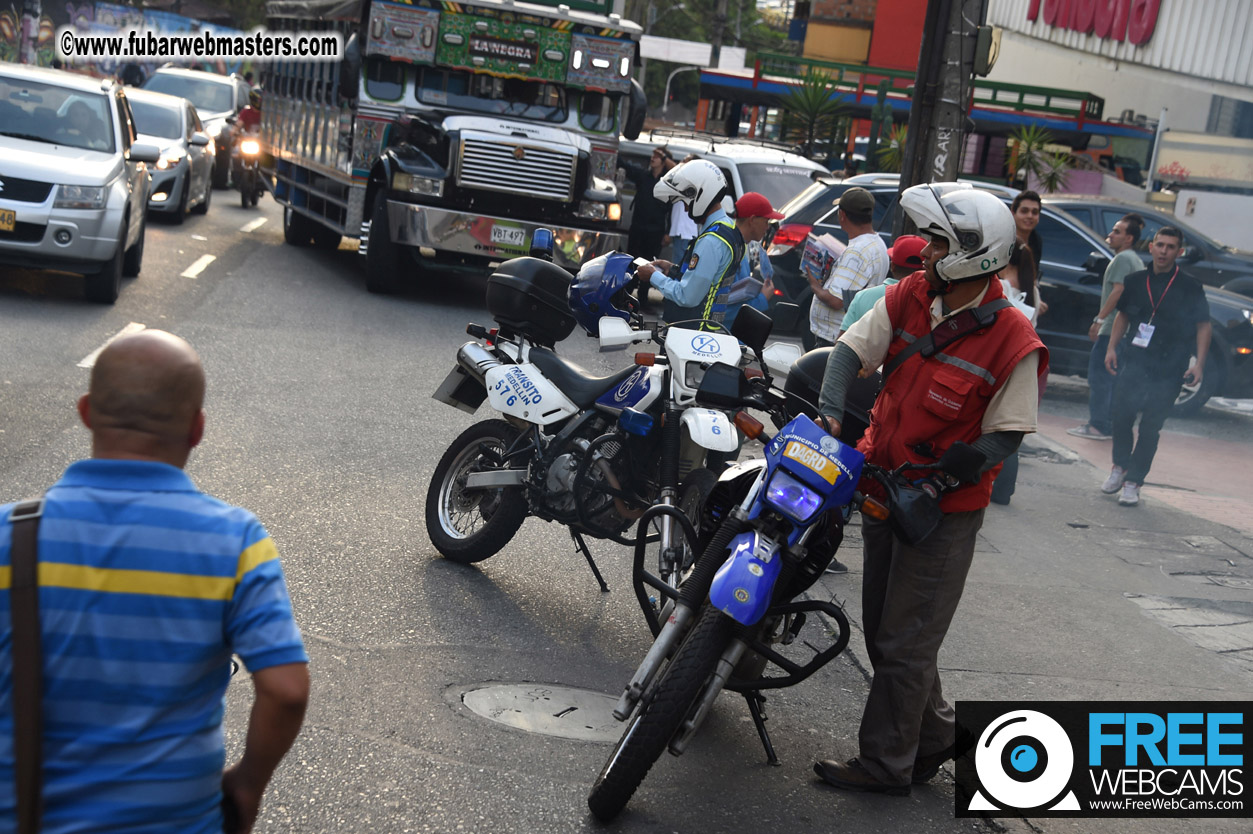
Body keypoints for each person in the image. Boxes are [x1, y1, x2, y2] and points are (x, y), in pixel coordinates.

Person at [0, 330, 310, 833]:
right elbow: (287, 690)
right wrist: (249, 783)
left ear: (86, 412)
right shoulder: (236, 542)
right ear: (197, 428)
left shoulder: (8, 536)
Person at [812, 183, 1047, 795]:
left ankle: (887, 764)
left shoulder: (1014, 338)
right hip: (882, 486)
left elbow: (1007, 435)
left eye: (938, 243)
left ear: (974, 253)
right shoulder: (912, 294)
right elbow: (848, 353)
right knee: (891, 631)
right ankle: (937, 736)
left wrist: (942, 478)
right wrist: (831, 413)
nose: (926, 253)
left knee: (904, 640)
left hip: (942, 512)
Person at [1101, 227, 1211, 507]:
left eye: (1170, 247)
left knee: (1151, 427)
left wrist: (1199, 364)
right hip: (1135, 360)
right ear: (1151, 247)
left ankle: (1134, 481)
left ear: (1179, 252)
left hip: (1170, 367)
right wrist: (1111, 348)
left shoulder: (1190, 286)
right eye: (1160, 245)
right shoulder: (1135, 281)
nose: (1164, 251)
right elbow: (1122, 317)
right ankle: (1119, 466)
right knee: (1121, 416)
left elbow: (1203, 325)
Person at [638, 167, 781, 329]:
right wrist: (672, 270)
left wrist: (653, 276)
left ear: (701, 197)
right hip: (704, 333)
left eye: (686, 202)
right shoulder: (727, 230)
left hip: (692, 334)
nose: (685, 209)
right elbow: (710, 280)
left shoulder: (712, 240)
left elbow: (687, 296)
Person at [1067, 213, 1145, 440]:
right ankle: (1108, 425)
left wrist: (1099, 319)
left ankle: (1098, 425)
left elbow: (1118, 290)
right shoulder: (1135, 260)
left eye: (1117, 231)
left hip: (1112, 328)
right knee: (1113, 380)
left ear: (1129, 238)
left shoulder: (1122, 259)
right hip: (1125, 331)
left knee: (1100, 378)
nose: (1110, 234)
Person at [807, 187, 889, 349]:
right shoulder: (877, 243)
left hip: (835, 339)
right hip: (849, 336)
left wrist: (815, 285)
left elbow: (836, 300)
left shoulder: (857, 251)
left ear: (842, 215)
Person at [837, 234, 926, 337]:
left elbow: (842, 341)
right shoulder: (930, 302)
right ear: (925, 269)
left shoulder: (862, 297)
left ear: (892, 266)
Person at [620, 146, 675, 260]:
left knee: (649, 262)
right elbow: (624, 165)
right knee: (632, 260)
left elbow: (671, 210)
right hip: (637, 228)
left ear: (664, 161)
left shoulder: (668, 183)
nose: (652, 158)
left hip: (655, 231)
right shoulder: (643, 176)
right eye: (652, 155)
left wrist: (668, 233)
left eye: (657, 156)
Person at [1010, 189, 1043, 271]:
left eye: (1034, 212)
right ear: (1013, 213)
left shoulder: (1036, 241)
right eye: (1024, 211)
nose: (1030, 216)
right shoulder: (1004, 239)